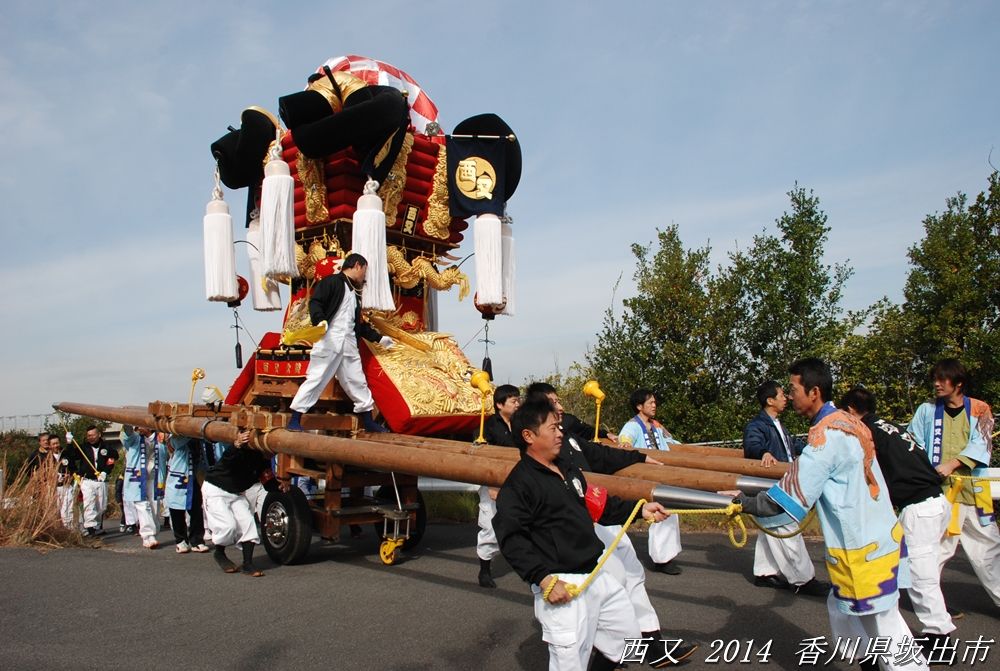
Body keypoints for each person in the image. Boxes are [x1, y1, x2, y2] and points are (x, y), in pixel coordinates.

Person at [732, 359, 926, 671]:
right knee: (840, 607)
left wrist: (741, 503)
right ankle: (867, 661)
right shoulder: (849, 422)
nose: (790, 396)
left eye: (794, 389)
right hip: (881, 537)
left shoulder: (825, 437)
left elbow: (786, 502)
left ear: (814, 391)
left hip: (862, 550)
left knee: (885, 626)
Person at [493, 399, 693, 671]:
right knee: (570, 664)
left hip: (596, 574)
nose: (560, 432)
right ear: (528, 436)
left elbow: (601, 506)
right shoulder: (519, 485)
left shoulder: (566, 468)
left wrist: (640, 510)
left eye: (559, 427)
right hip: (563, 584)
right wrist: (543, 579)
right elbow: (511, 538)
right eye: (552, 428)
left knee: (626, 643)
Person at [839, 386, 956, 647]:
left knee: (920, 576)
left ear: (849, 411)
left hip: (919, 508)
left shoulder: (866, 431)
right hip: (935, 501)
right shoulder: (888, 426)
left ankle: (940, 641)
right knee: (925, 574)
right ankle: (938, 632)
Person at [906, 358, 999, 609]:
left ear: (958, 383)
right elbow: (912, 442)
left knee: (989, 550)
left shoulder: (980, 408)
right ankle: (930, 605)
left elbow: (982, 445)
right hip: (939, 493)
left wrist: (952, 464)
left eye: (942, 379)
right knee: (937, 549)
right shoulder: (926, 410)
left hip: (973, 492)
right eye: (934, 379)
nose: (936, 384)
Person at [287, 253, 394, 433]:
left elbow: (358, 324)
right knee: (317, 377)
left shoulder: (354, 294)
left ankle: (368, 420)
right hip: (330, 339)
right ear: (358, 265)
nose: (364, 276)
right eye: (365, 271)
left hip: (349, 342)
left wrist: (379, 338)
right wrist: (320, 320)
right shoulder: (332, 282)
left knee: (356, 380)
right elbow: (316, 303)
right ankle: (295, 419)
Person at [742, 380, 828, 596]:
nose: (786, 398)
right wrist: (763, 452)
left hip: (784, 481)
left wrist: (816, 449)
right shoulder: (756, 426)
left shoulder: (778, 424)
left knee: (770, 529)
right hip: (773, 487)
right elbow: (752, 445)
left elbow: (792, 447)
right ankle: (802, 579)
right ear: (770, 400)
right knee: (784, 528)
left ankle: (764, 572)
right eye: (781, 395)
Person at [617, 389, 684, 575]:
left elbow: (671, 443)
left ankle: (665, 557)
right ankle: (661, 559)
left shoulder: (656, 426)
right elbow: (625, 440)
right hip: (647, 478)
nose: (654, 405)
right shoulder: (632, 426)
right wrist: (625, 444)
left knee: (669, 512)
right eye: (650, 403)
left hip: (663, 473)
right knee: (660, 512)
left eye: (655, 402)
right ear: (639, 406)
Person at [202, 430, 283, 576]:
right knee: (227, 526)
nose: (273, 454)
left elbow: (268, 483)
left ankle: (247, 564)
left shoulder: (263, 463)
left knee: (249, 525)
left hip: (236, 493)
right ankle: (219, 553)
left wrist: (281, 488)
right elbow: (227, 459)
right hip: (216, 490)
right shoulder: (244, 450)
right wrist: (236, 444)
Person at [476, 383, 520, 588]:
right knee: (490, 525)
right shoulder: (488, 426)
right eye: (513, 400)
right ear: (500, 404)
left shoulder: (522, 424)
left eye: (518, 399)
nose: (518, 403)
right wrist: (492, 484)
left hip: (518, 480)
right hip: (493, 483)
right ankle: (484, 570)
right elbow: (482, 457)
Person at [121, 426, 168, 549]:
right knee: (143, 506)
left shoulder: (160, 438)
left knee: (154, 507)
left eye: (140, 425)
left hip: (154, 477)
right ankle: (148, 535)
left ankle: (153, 534)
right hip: (137, 479)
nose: (138, 428)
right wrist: (127, 422)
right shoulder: (134, 438)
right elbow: (128, 433)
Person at [165, 436, 210, 553]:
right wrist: (194, 431)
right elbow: (176, 442)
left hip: (195, 476)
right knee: (176, 509)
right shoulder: (174, 435)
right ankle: (180, 540)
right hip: (179, 476)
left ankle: (197, 540)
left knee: (196, 509)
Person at [78, 425, 118, 536]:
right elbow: (72, 455)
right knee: (89, 503)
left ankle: (97, 526)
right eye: (88, 435)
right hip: (87, 481)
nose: (90, 437)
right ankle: (90, 528)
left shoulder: (106, 447)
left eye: (92, 435)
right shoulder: (83, 447)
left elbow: (113, 458)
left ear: (99, 434)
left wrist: (105, 471)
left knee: (101, 506)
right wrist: (69, 443)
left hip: (101, 480)